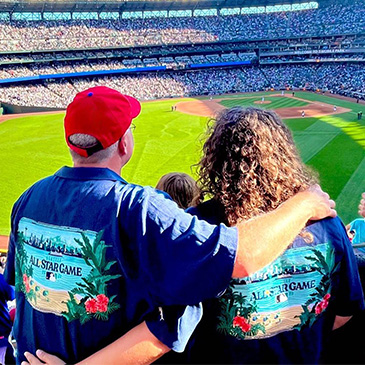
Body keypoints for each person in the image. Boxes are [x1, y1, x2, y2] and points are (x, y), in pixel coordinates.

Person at [12, 87, 335, 365]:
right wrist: (304, 203)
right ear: (124, 143)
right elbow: (241, 258)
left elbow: (30, 292)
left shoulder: (28, 198)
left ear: (72, 142)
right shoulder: (139, 207)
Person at [156, 107, 364, 364]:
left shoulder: (194, 225)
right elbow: (344, 311)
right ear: (284, 156)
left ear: (216, 158)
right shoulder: (329, 225)